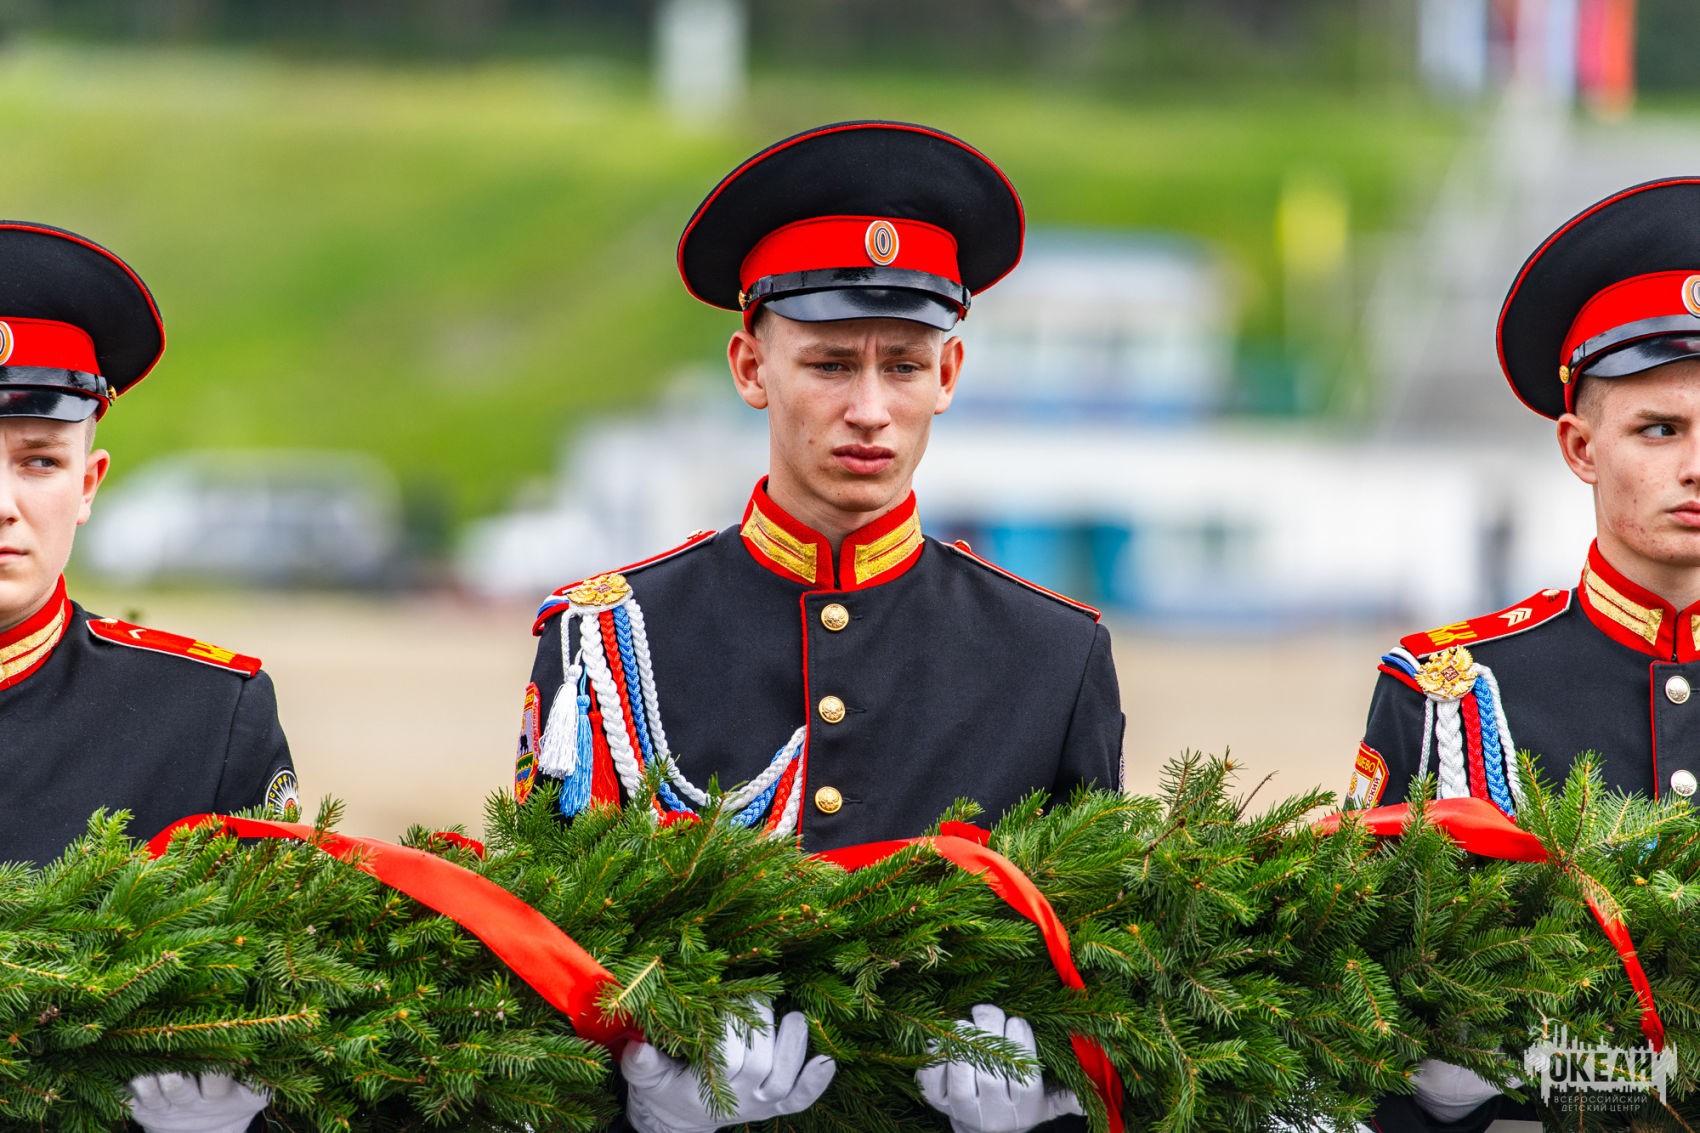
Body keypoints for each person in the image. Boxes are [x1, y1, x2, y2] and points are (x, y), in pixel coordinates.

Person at [519, 122, 1124, 1133]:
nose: (870, 409)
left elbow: (1107, 991)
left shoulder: (1052, 655)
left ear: (950, 373)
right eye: (831, 364)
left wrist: (1046, 1111)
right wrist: (649, 1114)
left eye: (904, 365)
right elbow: (530, 1005)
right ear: (750, 366)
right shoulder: (609, 640)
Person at [1348, 177, 1700, 1132]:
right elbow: (1357, 1019)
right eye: (1659, 429)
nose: (1695, 465)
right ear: (1580, 447)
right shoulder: (1449, 691)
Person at [0, 220, 297, 1133]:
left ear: (89, 483)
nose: (3, 504)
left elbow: (299, 1026)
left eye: (38, 461)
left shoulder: (204, 717)